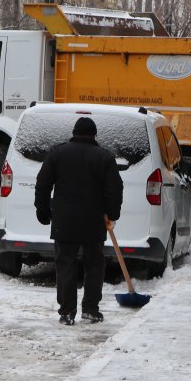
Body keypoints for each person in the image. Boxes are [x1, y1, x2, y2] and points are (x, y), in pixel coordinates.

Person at [35, 117, 123, 326]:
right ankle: (90, 310)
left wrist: (43, 210)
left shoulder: (57, 153)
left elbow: (43, 184)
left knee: (65, 264)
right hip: (93, 221)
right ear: (94, 135)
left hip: (64, 220)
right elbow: (114, 189)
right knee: (94, 265)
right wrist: (113, 213)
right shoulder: (105, 157)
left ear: (74, 133)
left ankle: (67, 312)